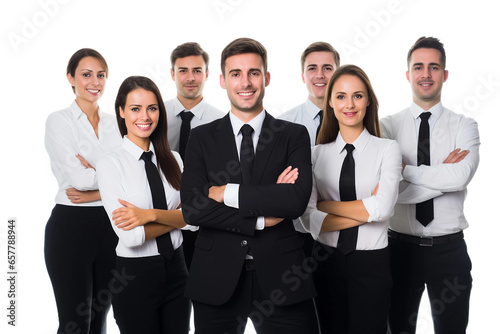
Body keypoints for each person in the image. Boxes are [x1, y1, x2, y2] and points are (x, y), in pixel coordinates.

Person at [180, 37, 318, 334]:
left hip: (283, 276)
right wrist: (260, 217)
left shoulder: (293, 135)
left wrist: (226, 193)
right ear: (222, 80)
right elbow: (192, 209)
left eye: (254, 73)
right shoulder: (201, 138)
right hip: (215, 277)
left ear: (266, 78)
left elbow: (294, 201)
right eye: (236, 74)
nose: (246, 82)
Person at [380, 36, 480, 334]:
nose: (426, 74)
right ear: (408, 74)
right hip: (399, 249)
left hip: (449, 251)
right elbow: (389, 191)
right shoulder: (386, 127)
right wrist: (442, 175)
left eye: (434, 67)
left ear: (444, 75)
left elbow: (461, 176)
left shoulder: (465, 125)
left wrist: (406, 170)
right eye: (419, 67)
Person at [300, 64, 402, 334]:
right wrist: (365, 210)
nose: (350, 104)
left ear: (368, 100)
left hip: (372, 265)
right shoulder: (315, 154)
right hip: (325, 261)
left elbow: (383, 208)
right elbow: (308, 217)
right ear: (330, 102)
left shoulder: (387, 149)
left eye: (357, 95)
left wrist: (327, 207)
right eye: (341, 96)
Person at [96, 76, 191, 334]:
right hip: (135, 277)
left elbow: (194, 219)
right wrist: (176, 218)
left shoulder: (175, 160)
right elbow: (131, 237)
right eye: (135, 108)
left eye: (152, 108)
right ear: (121, 111)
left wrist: (148, 215)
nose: (145, 116)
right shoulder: (110, 165)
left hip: (178, 270)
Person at [44, 48, 121, 333]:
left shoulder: (117, 123)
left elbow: (134, 174)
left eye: (101, 75)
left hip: (112, 226)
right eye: (86, 74)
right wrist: (111, 175)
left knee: (99, 320)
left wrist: (97, 186)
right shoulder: (59, 121)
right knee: (75, 322)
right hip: (71, 226)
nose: (94, 82)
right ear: (70, 78)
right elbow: (78, 179)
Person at [165, 41, 225, 269]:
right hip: (164, 219)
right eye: (183, 71)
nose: (190, 77)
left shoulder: (222, 122)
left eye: (197, 71)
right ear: (172, 74)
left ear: (207, 74)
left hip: (207, 223)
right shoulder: (152, 117)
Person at [278, 41, 340, 258]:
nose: (320, 75)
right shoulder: (282, 125)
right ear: (303, 75)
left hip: (343, 229)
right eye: (312, 68)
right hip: (296, 233)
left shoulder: (356, 121)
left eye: (327, 68)